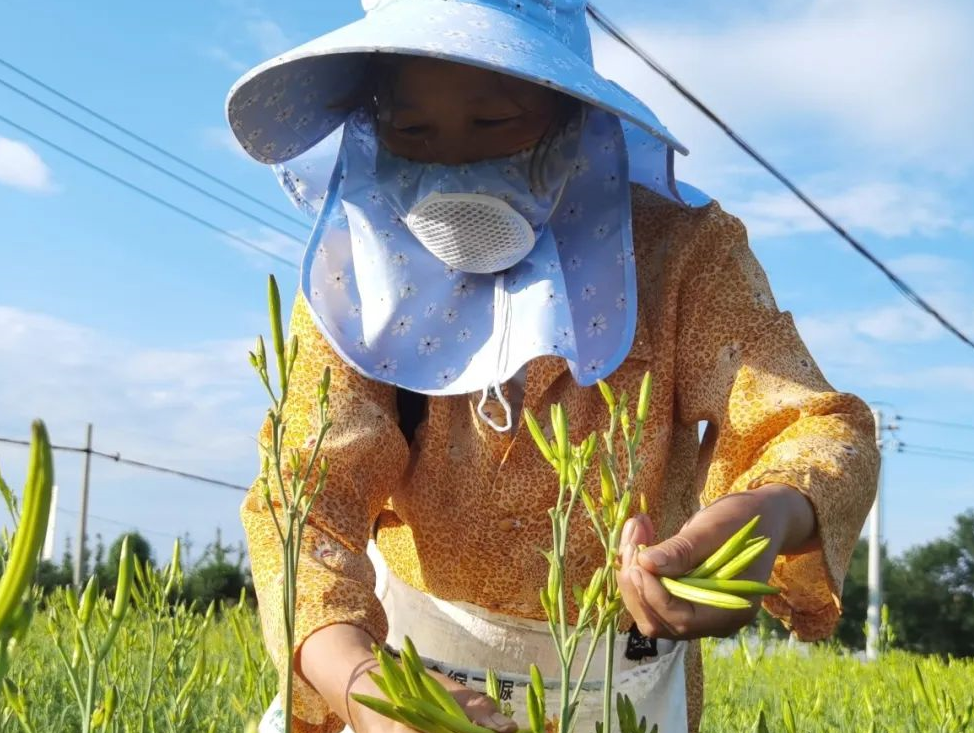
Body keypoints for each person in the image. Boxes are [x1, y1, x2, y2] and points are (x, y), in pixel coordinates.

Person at [226, 2, 879, 733]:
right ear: (373, 127)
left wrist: (762, 519)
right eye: (412, 129)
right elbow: (305, 502)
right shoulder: (358, 270)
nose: (452, 161)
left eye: (492, 122)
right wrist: (359, 681)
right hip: (403, 677)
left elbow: (818, 429)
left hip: (620, 681)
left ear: (569, 114)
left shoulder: (677, 254)